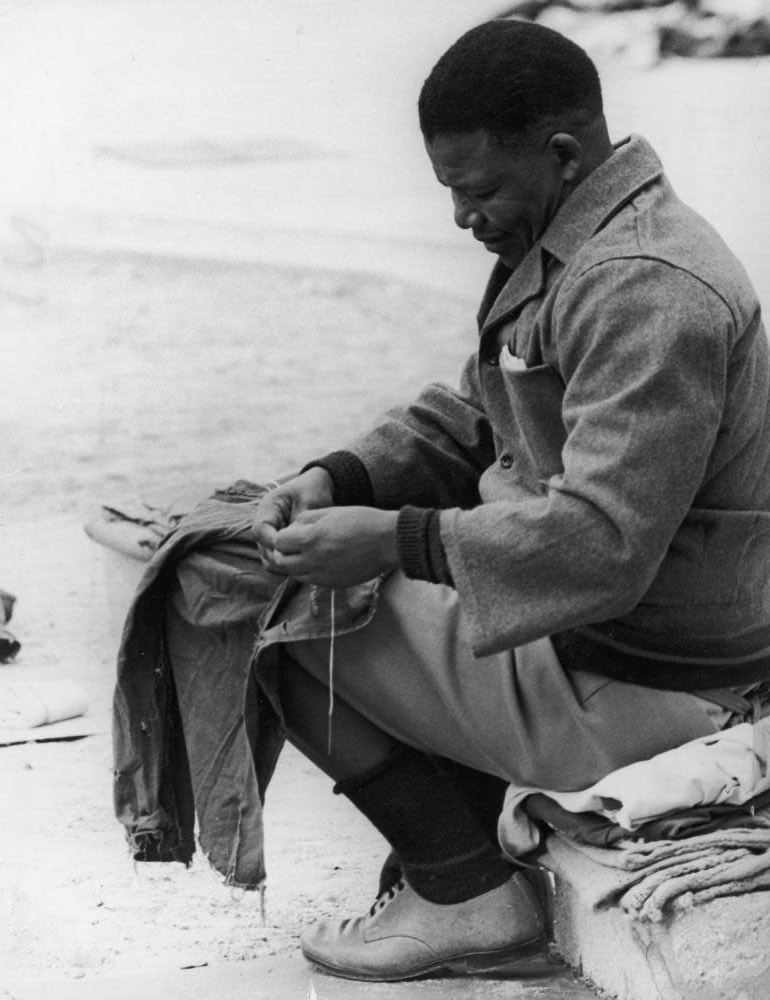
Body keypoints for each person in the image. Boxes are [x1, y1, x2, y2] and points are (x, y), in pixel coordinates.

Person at [114, 17, 770, 983]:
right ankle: (466, 853)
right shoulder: (575, 231)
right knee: (257, 540)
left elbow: (603, 541)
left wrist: (393, 541)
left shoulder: (640, 285)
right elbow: (477, 415)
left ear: (561, 151)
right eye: (450, 192)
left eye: (477, 190)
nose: (463, 217)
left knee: (250, 593)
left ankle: (463, 891)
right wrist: (342, 478)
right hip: (600, 640)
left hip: (654, 682)